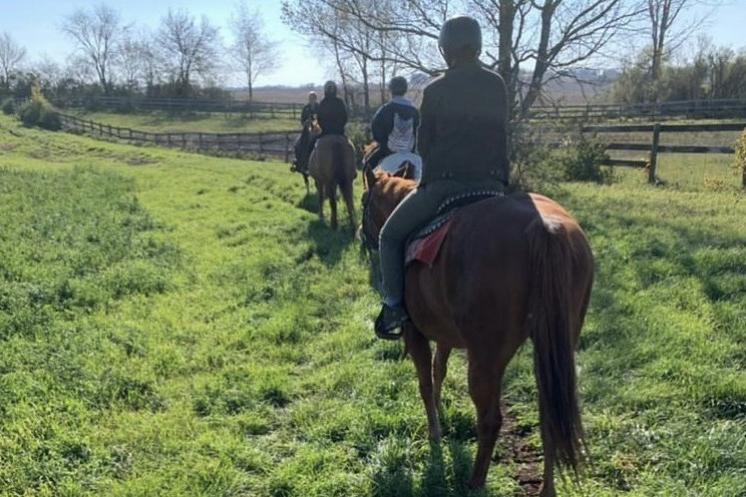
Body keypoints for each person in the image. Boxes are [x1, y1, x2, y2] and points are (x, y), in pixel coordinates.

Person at [374, 15, 511, 338]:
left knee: (389, 237)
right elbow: (502, 134)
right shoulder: (496, 84)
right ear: (477, 46)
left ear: (445, 49)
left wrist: (428, 182)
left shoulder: (435, 90)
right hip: (493, 185)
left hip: (446, 185)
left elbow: (426, 145)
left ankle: (394, 307)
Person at [367, 76, 420, 170]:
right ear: (405, 90)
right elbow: (420, 132)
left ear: (391, 90)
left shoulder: (385, 110)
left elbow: (376, 130)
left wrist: (381, 142)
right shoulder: (415, 111)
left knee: (368, 167)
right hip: (411, 153)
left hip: (387, 152)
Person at [293, 92, 320, 173]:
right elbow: (302, 120)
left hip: (318, 129)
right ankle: (298, 161)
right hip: (307, 129)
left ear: (315, 98)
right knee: (297, 143)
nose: (311, 99)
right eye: (310, 98)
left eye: (313, 98)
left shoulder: (319, 107)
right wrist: (306, 122)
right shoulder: (306, 108)